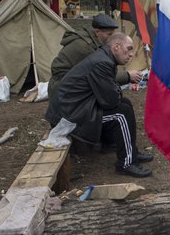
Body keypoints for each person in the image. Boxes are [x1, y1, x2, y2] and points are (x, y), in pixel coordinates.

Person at [45, 33, 153, 178]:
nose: (131, 54)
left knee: (125, 104)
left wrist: (115, 91)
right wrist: (115, 91)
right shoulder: (102, 62)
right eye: (129, 49)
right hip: (69, 117)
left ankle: (131, 152)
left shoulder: (104, 57)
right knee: (121, 114)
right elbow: (110, 101)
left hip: (75, 107)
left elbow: (110, 94)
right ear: (116, 47)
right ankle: (126, 164)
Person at [48, 14, 142, 99]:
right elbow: (102, 75)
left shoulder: (92, 42)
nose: (111, 38)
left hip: (66, 86)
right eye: (109, 34)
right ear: (97, 32)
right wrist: (128, 76)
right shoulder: (87, 48)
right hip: (63, 91)